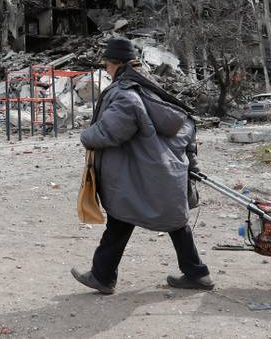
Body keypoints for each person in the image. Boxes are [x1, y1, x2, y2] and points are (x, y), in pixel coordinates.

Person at [71, 36, 213, 295]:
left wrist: (85, 136)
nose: (105, 69)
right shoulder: (148, 86)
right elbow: (182, 125)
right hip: (159, 169)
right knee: (169, 220)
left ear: (115, 64)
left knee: (122, 219)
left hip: (140, 173)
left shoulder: (127, 93)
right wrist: (189, 159)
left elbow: (110, 131)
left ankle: (103, 276)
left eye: (106, 64)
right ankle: (196, 273)